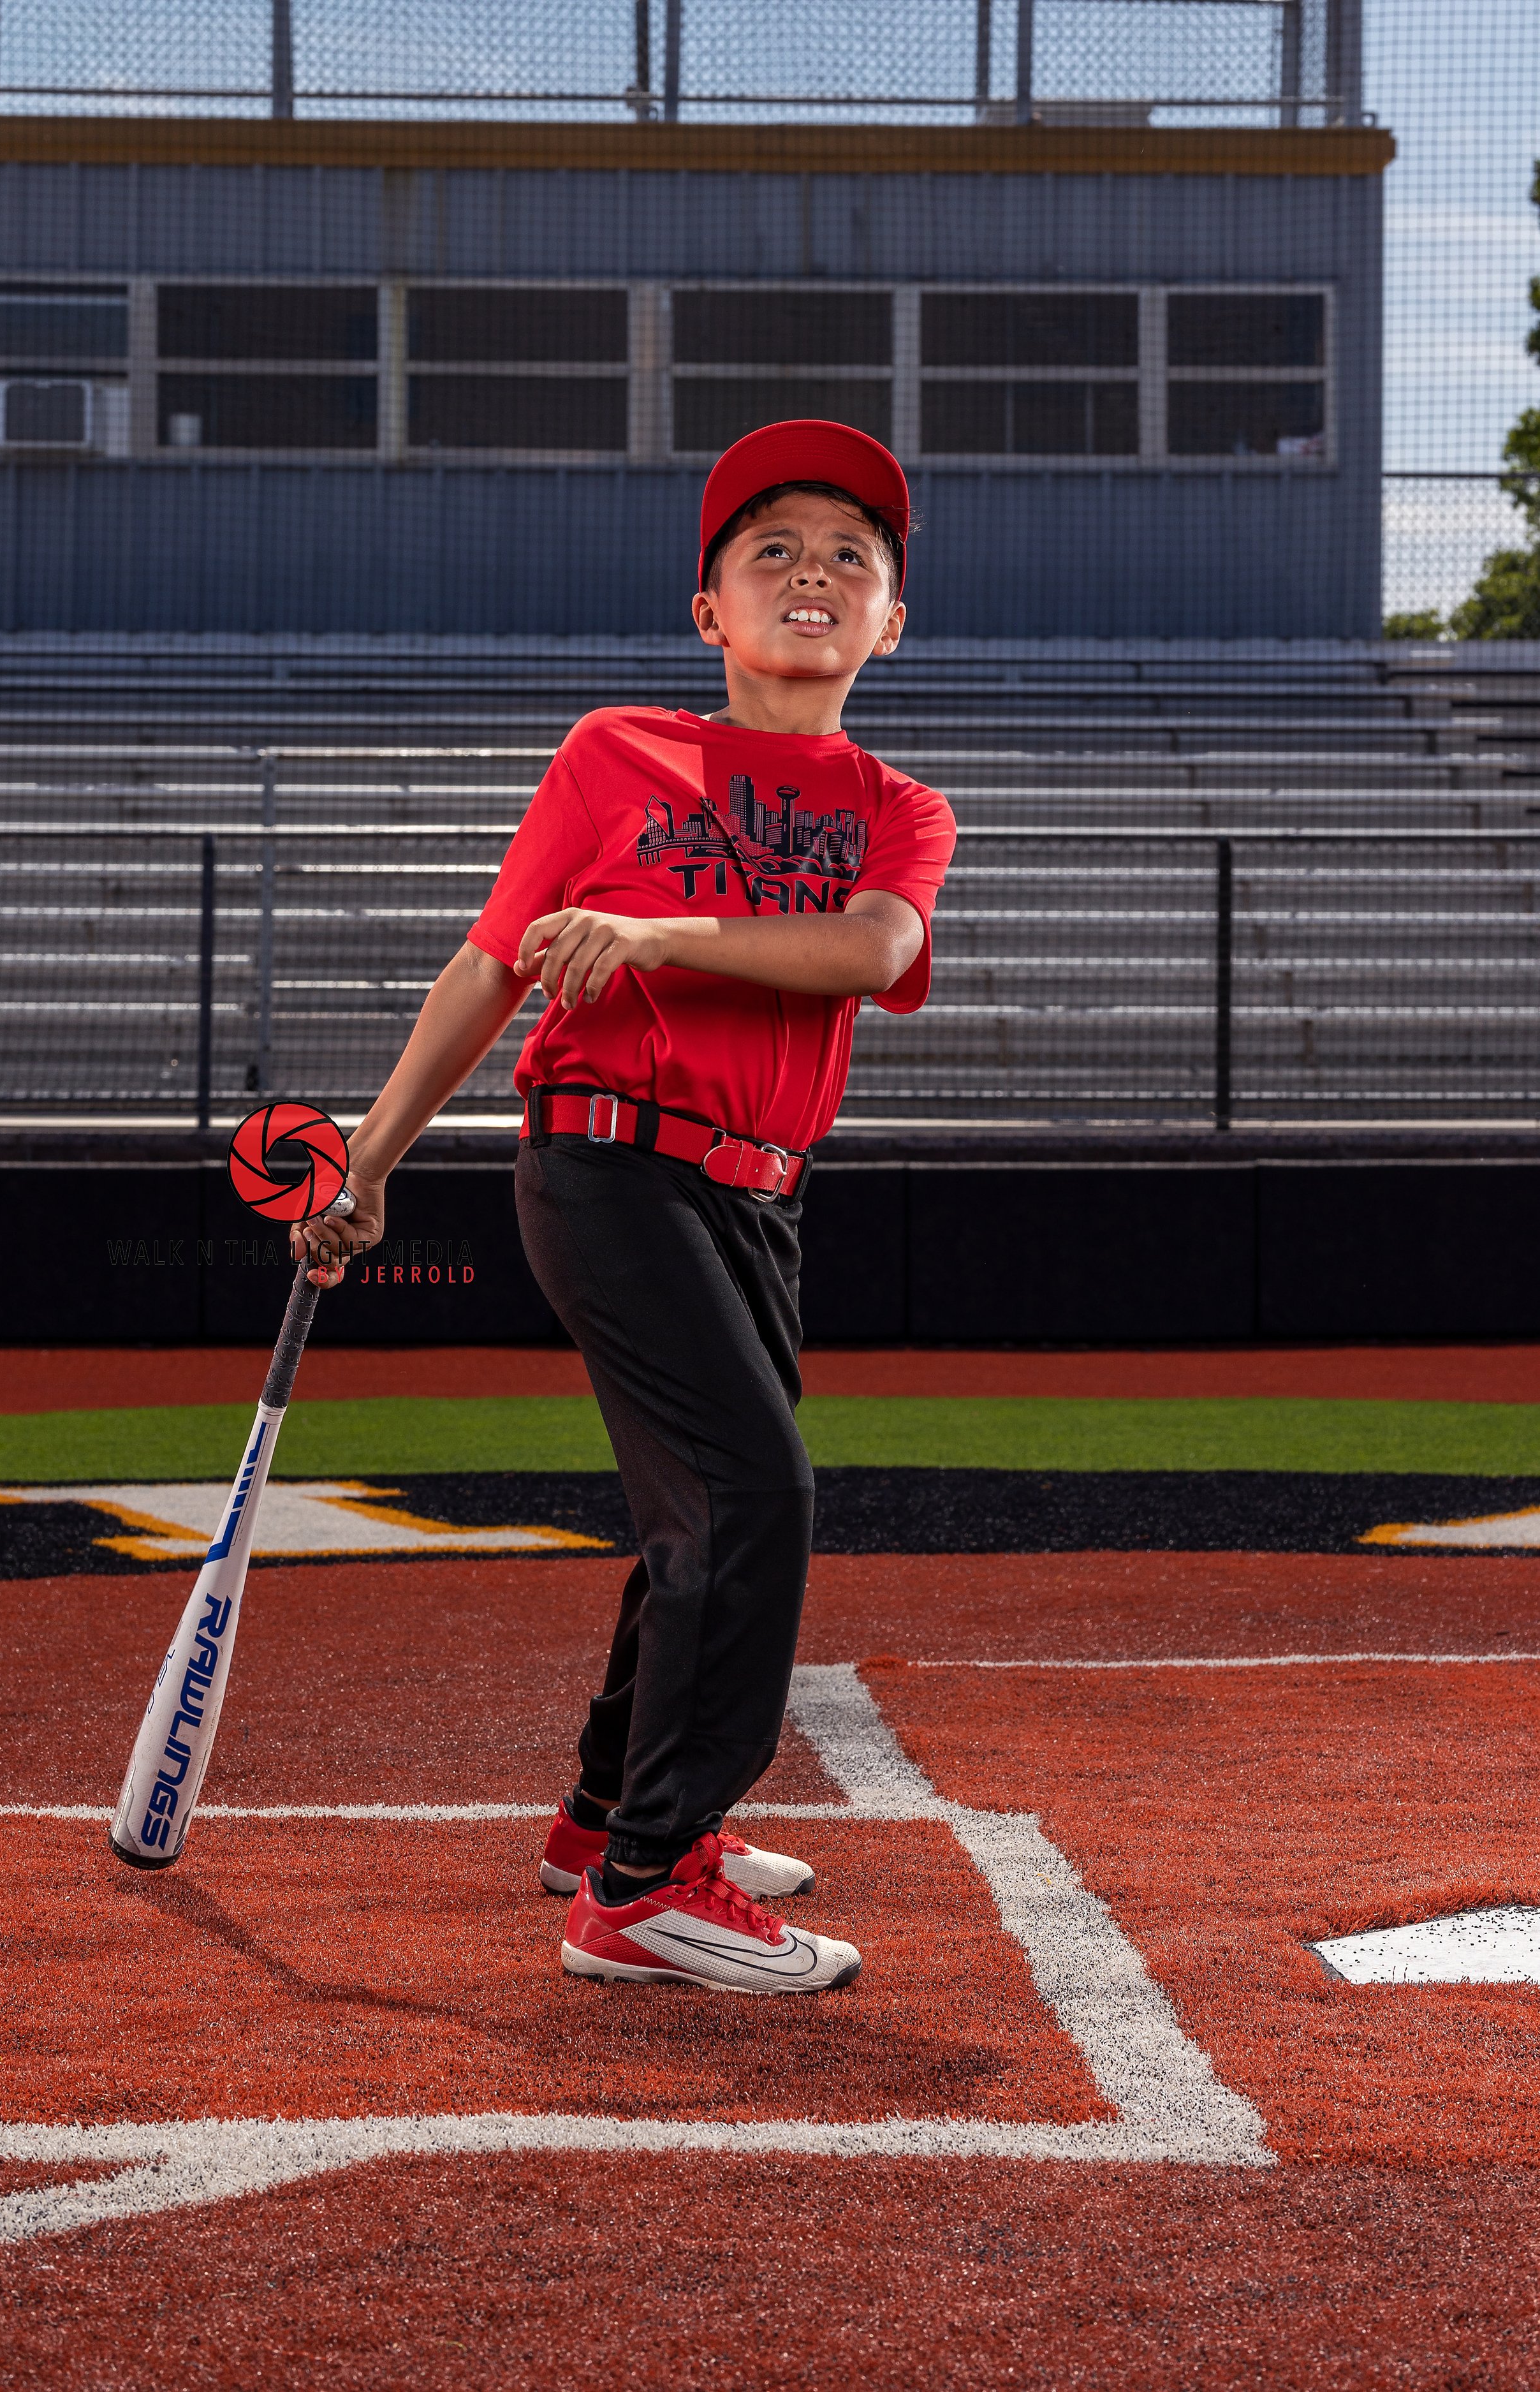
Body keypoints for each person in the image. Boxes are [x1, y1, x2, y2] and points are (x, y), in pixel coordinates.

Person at [293, 418, 956, 1995]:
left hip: (758, 1200)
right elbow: (492, 962)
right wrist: (369, 1162)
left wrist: (656, 936)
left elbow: (869, 955)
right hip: (602, 1162)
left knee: (697, 1514)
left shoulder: (897, 807)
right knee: (755, 1497)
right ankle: (651, 1888)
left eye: (848, 557)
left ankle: (602, 1825)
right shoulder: (615, 752)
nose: (812, 573)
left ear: (888, 624)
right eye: (770, 551)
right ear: (707, 613)